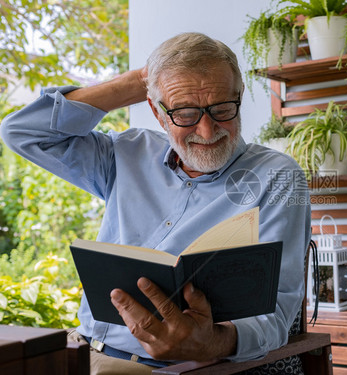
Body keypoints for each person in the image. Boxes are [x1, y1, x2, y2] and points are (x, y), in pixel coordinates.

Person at [0, 32, 311, 374]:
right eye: (185, 113)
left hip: (187, 368)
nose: (208, 132)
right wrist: (133, 83)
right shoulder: (128, 151)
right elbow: (23, 133)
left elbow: (278, 311)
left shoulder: (277, 176)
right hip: (86, 352)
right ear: (157, 110)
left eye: (223, 109)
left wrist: (213, 342)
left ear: (238, 98)